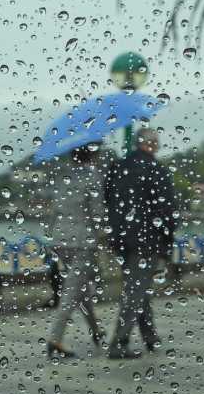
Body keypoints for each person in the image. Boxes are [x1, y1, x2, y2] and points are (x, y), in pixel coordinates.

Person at [104, 127, 178, 359]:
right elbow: (166, 210)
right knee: (135, 290)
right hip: (146, 240)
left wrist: (115, 233)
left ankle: (150, 337)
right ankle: (118, 343)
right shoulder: (156, 170)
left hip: (122, 239)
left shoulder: (117, 167)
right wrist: (167, 241)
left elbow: (109, 200)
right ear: (153, 144)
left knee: (138, 286)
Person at [47, 143, 106, 358]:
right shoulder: (93, 176)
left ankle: (96, 330)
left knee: (80, 289)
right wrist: (103, 235)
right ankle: (55, 338)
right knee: (72, 291)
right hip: (82, 241)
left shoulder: (63, 175)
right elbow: (97, 212)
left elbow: (55, 208)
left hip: (60, 239)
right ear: (93, 154)